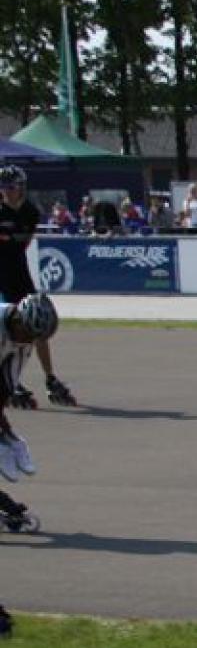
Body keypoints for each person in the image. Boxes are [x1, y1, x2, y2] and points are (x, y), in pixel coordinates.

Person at [0, 168, 71, 409]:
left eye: (12, 187)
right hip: (1, 276)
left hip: (20, 272)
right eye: (5, 188)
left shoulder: (31, 212)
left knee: (37, 323)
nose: (8, 192)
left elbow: (24, 243)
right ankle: (10, 379)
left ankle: (50, 378)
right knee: (10, 328)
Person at [0, 295, 57, 492]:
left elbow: (7, 386)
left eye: (35, 338)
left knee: (5, 391)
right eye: (28, 334)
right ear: (19, 321)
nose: (29, 341)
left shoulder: (25, 339)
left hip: (7, 346)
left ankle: (13, 443)